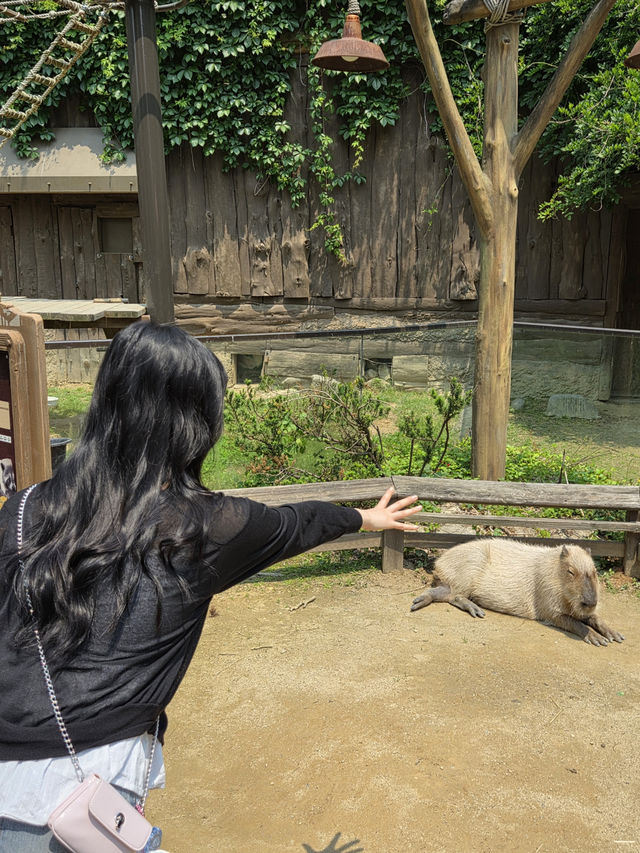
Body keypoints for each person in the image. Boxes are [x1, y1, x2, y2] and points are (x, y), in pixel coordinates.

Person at [0, 322, 420, 851]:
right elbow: (296, 524)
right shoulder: (203, 530)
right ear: (195, 424)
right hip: (84, 800)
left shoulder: (23, 509)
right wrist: (362, 519)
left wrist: (362, 518)